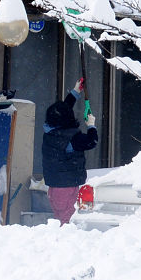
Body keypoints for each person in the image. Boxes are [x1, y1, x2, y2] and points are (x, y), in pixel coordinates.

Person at [41, 78, 98, 225]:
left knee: (60, 218)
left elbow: (62, 111)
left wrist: (75, 92)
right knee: (66, 220)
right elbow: (92, 141)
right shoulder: (72, 139)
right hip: (66, 188)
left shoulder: (50, 132)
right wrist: (91, 126)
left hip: (55, 187)